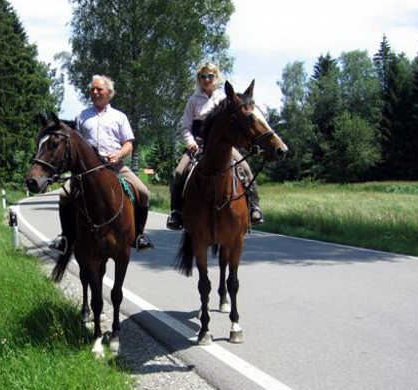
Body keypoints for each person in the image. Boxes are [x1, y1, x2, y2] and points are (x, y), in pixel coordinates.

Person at [49, 75, 154, 256]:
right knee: (63, 195)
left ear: (109, 93)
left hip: (116, 166)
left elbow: (128, 144)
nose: (95, 92)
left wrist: (119, 153)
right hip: (86, 171)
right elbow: (74, 143)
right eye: (92, 89)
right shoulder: (82, 116)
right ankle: (65, 237)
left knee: (143, 192)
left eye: (99, 89)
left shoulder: (119, 117)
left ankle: (139, 235)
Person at [166, 62, 263, 230]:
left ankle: (254, 207)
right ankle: (176, 213)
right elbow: (186, 127)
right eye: (202, 76)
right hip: (198, 147)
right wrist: (190, 143)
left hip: (225, 147)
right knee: (179, 173)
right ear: (198, 79)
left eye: (210, 76)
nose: (206, 79)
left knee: (246, 169)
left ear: (217, 78)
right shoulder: (194, 100)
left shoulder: (226, 98)